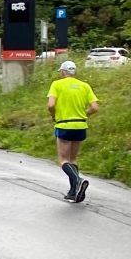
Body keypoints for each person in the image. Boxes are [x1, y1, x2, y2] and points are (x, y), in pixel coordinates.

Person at [47, 60, 99, 203]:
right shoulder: (84, 86)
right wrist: (83, 115)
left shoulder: (57, 84)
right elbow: (94, 107)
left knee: (63, 160)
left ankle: (78, 180)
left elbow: (51, 105)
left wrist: (53, 115)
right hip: (81, 125)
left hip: (64, 124)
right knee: (72, 159)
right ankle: (73, 191)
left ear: (63, 72)